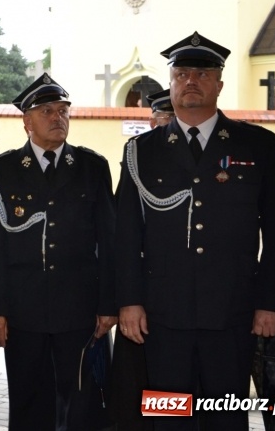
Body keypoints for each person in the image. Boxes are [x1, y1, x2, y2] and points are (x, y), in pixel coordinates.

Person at [116, 31, 275, 430]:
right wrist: (129, 301)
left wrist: (270, 303)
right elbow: (126, 235)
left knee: (224, 415)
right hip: (162, 314)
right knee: (168, 414)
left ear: (219, 84)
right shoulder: (141, 151)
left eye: (201, 73)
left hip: (232, 311)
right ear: (170, 82)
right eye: (181, 74)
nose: (190, 81)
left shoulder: (259, 145)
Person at [0, 73, 117, 430]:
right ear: (26, 121)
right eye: (47, 111)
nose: (58, 118)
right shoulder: (1, 170)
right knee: (28, 402)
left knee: (83, 402)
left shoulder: (91, 167)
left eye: (63, 111)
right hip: (25, 311)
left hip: (80, 308)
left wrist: (107, 304)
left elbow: (110, 240)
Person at [109, 89, 175, 431]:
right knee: (136, 377)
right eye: (160, 119)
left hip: (177, 290)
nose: (163, 124)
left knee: (173, 382)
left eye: (169, 118)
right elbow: (123, 226)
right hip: (143, 285)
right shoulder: (138, 157)